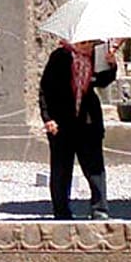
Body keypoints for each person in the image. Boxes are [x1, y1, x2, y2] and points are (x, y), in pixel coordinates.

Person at [39, 36, 117, 219]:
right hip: (61, 122)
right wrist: (48, 118)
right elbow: (46, 89)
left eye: (90, 44)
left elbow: (103, 81)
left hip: (88, 121)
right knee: (61, 169)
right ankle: (61, 211)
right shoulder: (60, 57)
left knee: (94, 167)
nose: (87, 47)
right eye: (83, 44)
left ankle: (99, 209)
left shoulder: (95, 57)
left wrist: (111, 65)